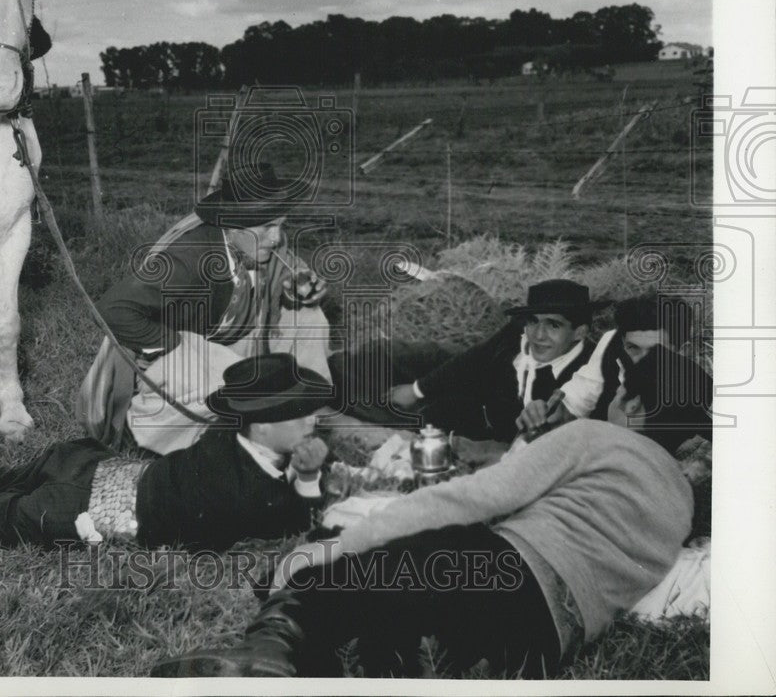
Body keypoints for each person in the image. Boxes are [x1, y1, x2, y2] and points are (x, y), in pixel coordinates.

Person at [152, 347, 712, 678]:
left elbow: (471, 499)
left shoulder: (594, 436)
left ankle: (265, 655)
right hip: (545, 641)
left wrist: (334, 548)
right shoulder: (681, 503)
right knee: (406, 633)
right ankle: (322, 661)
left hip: (507, 568)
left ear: (632, 405)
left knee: (343, 569)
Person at [0, 354, 329, 552]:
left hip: (87, 462)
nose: (314, 423)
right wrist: (306, 478)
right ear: (265, 424)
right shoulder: (250, 492)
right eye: (304, 415)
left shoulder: (221, 438)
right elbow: (290, 521)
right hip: (79, 510)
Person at [76, 162, 332, 455]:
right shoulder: (190, 257)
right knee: (231, 392)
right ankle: (240, 441)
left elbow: (284, 275)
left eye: (280, 225)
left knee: (309, 317)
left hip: (230, 342)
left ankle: (309, 413)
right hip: (179, 356)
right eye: (267, 228)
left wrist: (297, 292)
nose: (276, 238)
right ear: (233, 225)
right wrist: (176, 345)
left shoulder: (259, 244)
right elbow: (112, 309)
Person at [380, 279, 607, 442]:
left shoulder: (591, 375)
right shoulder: (516, 333)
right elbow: (476, 357)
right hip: (477, 396)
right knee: (388, 359)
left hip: (508, 445)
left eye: (553, 325)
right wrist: (417, 389)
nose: (538, 335)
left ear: (579, 333)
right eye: (533, 321)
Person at [515, 293, 699, 432]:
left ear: (684, 351)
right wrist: (544, 413)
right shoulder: (612, 342)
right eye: (632, 348)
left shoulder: (701, 399)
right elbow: (576, 401)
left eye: (655, 352)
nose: (640, 361)